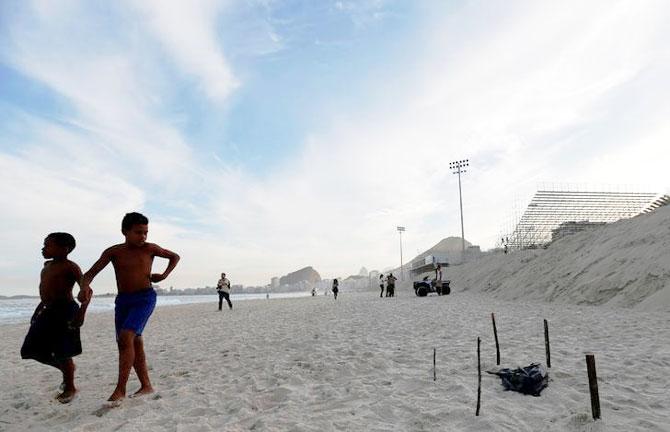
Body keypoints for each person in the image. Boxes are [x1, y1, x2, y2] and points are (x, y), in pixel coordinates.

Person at [81, 212, 180, 402]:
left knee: (127, 336)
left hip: (145, 298)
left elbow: (174, 256)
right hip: (124, 301)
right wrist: (85, 287)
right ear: (124, 232)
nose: (143, 237)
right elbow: (90, 273)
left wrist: (164, 275)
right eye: (138, 232)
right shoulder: (114, 252)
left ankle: (121, 389)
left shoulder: (150, 248)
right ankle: (146, 386)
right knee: (131, 342)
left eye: (145, 232)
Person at [21, 233, 92, 404]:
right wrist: (38, 311)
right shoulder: (46, 266)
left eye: (48, 245)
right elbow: (45, 294)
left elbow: (86, 290)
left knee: (63, 351)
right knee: (30, 350)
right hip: (47, 310)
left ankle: (70, 387)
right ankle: (67, 369)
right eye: (44, 245)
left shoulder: (70, 267)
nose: (43, 248)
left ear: (64, 249)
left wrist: (81, 312)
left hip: (66, 310)